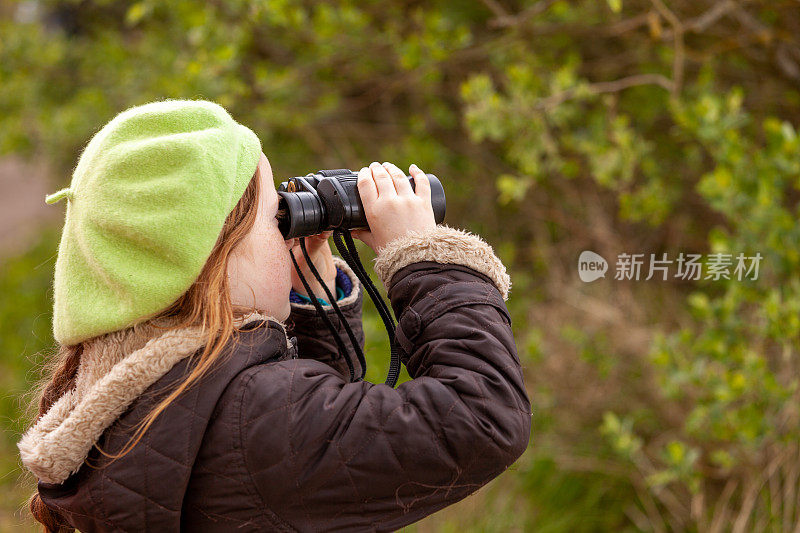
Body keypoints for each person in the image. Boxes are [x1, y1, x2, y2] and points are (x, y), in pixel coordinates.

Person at [18, 99, 531, 532]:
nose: (286, 230)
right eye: (274, 217)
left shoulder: (139, 391)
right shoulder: (254, 417)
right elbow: (481, 417)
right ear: (214, 261)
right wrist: (424, 255)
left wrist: (314, 302)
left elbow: (314, 448)